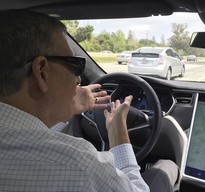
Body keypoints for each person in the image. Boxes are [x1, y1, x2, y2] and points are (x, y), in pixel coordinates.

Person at [0, 9, 178, 191]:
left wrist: (60, 107)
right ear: (42, 72)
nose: (78, 80)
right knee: (167, 166)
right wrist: (119, 133)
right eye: (75, 65)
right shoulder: (80, 165)